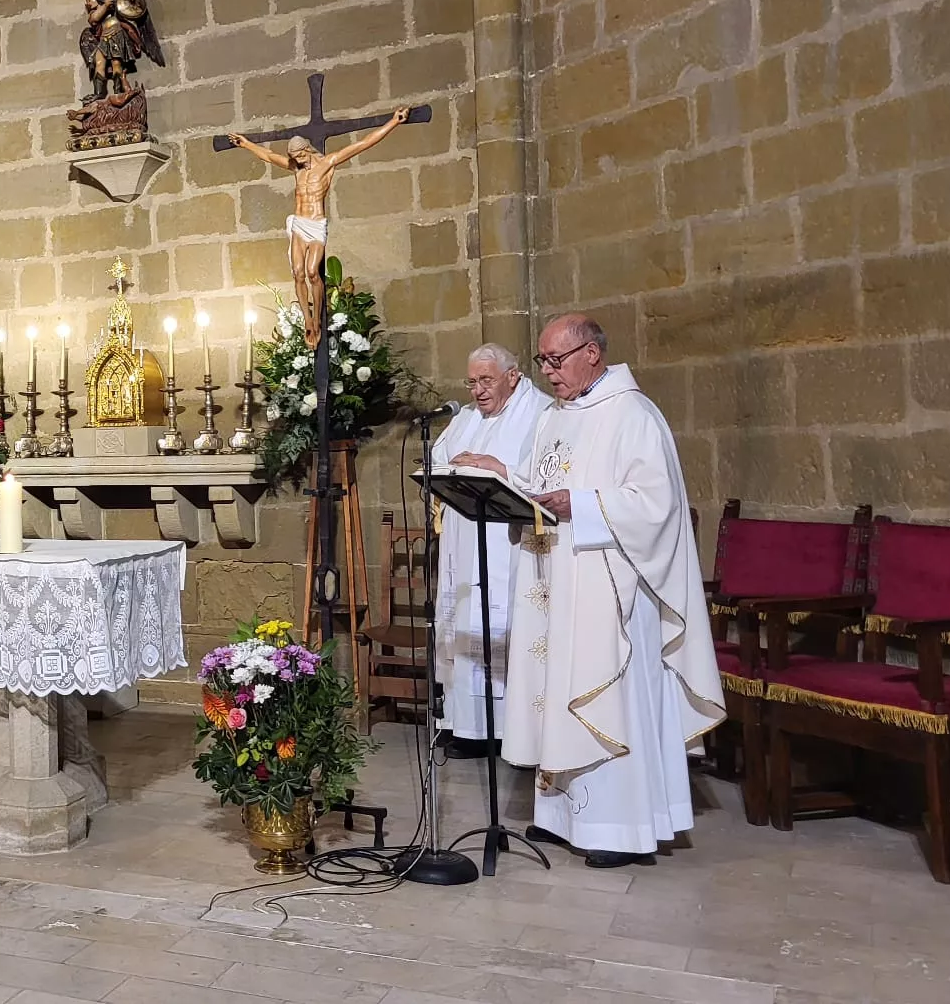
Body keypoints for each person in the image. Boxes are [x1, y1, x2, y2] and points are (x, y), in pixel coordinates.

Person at [451, 314, 723, 868]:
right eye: (543, 361)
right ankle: (559, 816)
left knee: (604, 694)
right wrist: (502, 474)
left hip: (610, 587)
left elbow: (656, 505)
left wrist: (588, 506)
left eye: (557, 360)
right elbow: (537, 486)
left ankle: (617, 829)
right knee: (557, 692)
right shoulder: (554, 417)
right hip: (555, 580)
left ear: (592, 353)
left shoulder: (634, 415)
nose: (548, 373)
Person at [430, 344, 551, 758]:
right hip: (464, 537)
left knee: (498, 622)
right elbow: (439, 454)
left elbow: (541, 472)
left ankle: (503, 731)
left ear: (513, 376)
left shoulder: (540, 413)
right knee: (464, 620)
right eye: (472, 382)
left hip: (506, 541)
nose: (478, 390)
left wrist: (496, 467)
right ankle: (464, 722)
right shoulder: (466, 416)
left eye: (486, 380)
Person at [226, 110, 407, 346]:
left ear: (307, 150)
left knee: (313, 272)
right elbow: (269, 156)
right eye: (294, 157)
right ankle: (307, 320)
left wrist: (393, 122)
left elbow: (363, 144)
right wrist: (246, 144)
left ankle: (319, 321)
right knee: (298, 273)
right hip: (299, 223)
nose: (298, 160)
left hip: (317, 224)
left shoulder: (327, 163)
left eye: (300, 155)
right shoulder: (295, 168)